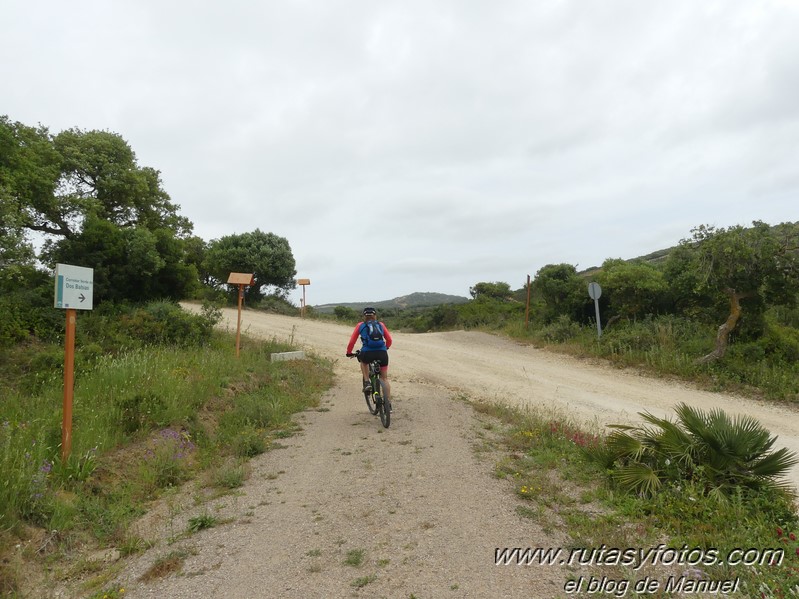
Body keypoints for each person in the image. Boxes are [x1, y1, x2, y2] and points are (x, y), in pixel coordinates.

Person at [346, 307, 392, 402]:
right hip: (382, 353)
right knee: (384, 378)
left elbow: (352, 342)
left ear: (364, 316)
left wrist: (349, 352)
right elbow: (389, 340)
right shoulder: (381, 325)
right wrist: (386, 347)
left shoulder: (360, 325)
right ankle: (388, 404)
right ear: (375, 316)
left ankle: (367, 382)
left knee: (364, 362)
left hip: (367, 352)